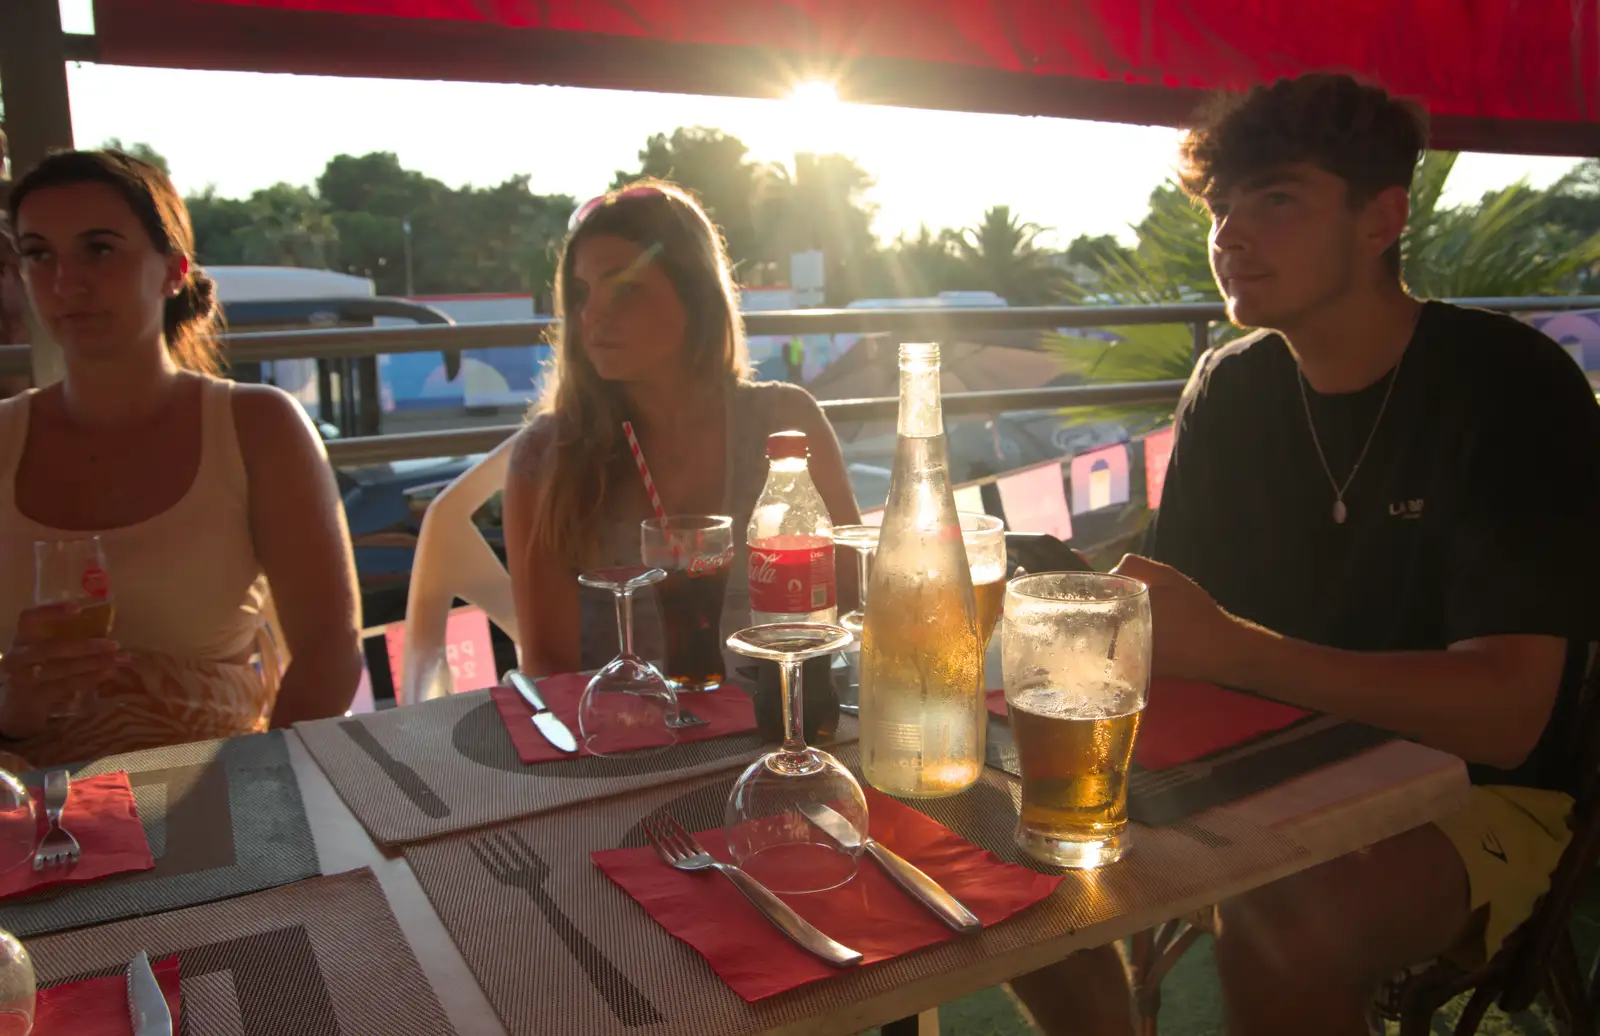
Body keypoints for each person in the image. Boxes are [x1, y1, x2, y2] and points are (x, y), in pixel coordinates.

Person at [1010, 73, 1600, 1036]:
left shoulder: (1507, 386)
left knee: (1288, 922)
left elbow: (1508, 717)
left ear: (1381, 219)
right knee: (1015, 844)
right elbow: (1178, 630)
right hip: (1261, 768)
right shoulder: (1231, 388)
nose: (1230, 236)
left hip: (1483, 795)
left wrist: (1237, 650)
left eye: (1276, 199)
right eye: (1221, 206)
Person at [0, 149, 363, 765]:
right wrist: (13, 708)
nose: (66, 282)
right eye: (39, 254)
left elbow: (330, 651)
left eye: (100, 249)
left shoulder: (256, 426)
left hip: (213, 787)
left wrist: (263, 800)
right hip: (29, 803)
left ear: (173, 270)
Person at [505, 180, 860, 674]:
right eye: (582, 293)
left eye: (625, 288)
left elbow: (855, 606)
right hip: (627, 737)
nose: (592, 315)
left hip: (782, 731)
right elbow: (548, 666)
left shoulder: (785, 425)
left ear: (696, 298)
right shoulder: (547, 459)